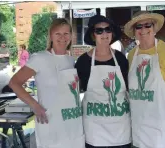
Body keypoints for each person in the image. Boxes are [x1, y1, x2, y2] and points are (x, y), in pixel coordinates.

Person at [9, 18, 85, 148]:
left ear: (71, 36)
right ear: (50, 36)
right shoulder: (40, 58)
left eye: (66, 33)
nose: (62, 37)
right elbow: (14, 82)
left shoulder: (71, 60)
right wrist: (35, 106)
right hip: (51, 124)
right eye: (58, 34)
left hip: (73, 124)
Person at [124, 11, 165, 148]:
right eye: (138, 26)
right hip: (139, 133)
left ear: (154, 28)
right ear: (134, 32)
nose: (143, 30)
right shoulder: (131, 56)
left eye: (147, 25)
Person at [75, 14, 131, 148]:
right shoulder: (83, 61)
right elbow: (76, 90)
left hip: (120, 130)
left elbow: (129, 88)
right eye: (99, 30)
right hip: (94, 130)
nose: (104, 34)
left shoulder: (121, 59)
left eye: (108, 29)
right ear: (93, 35)